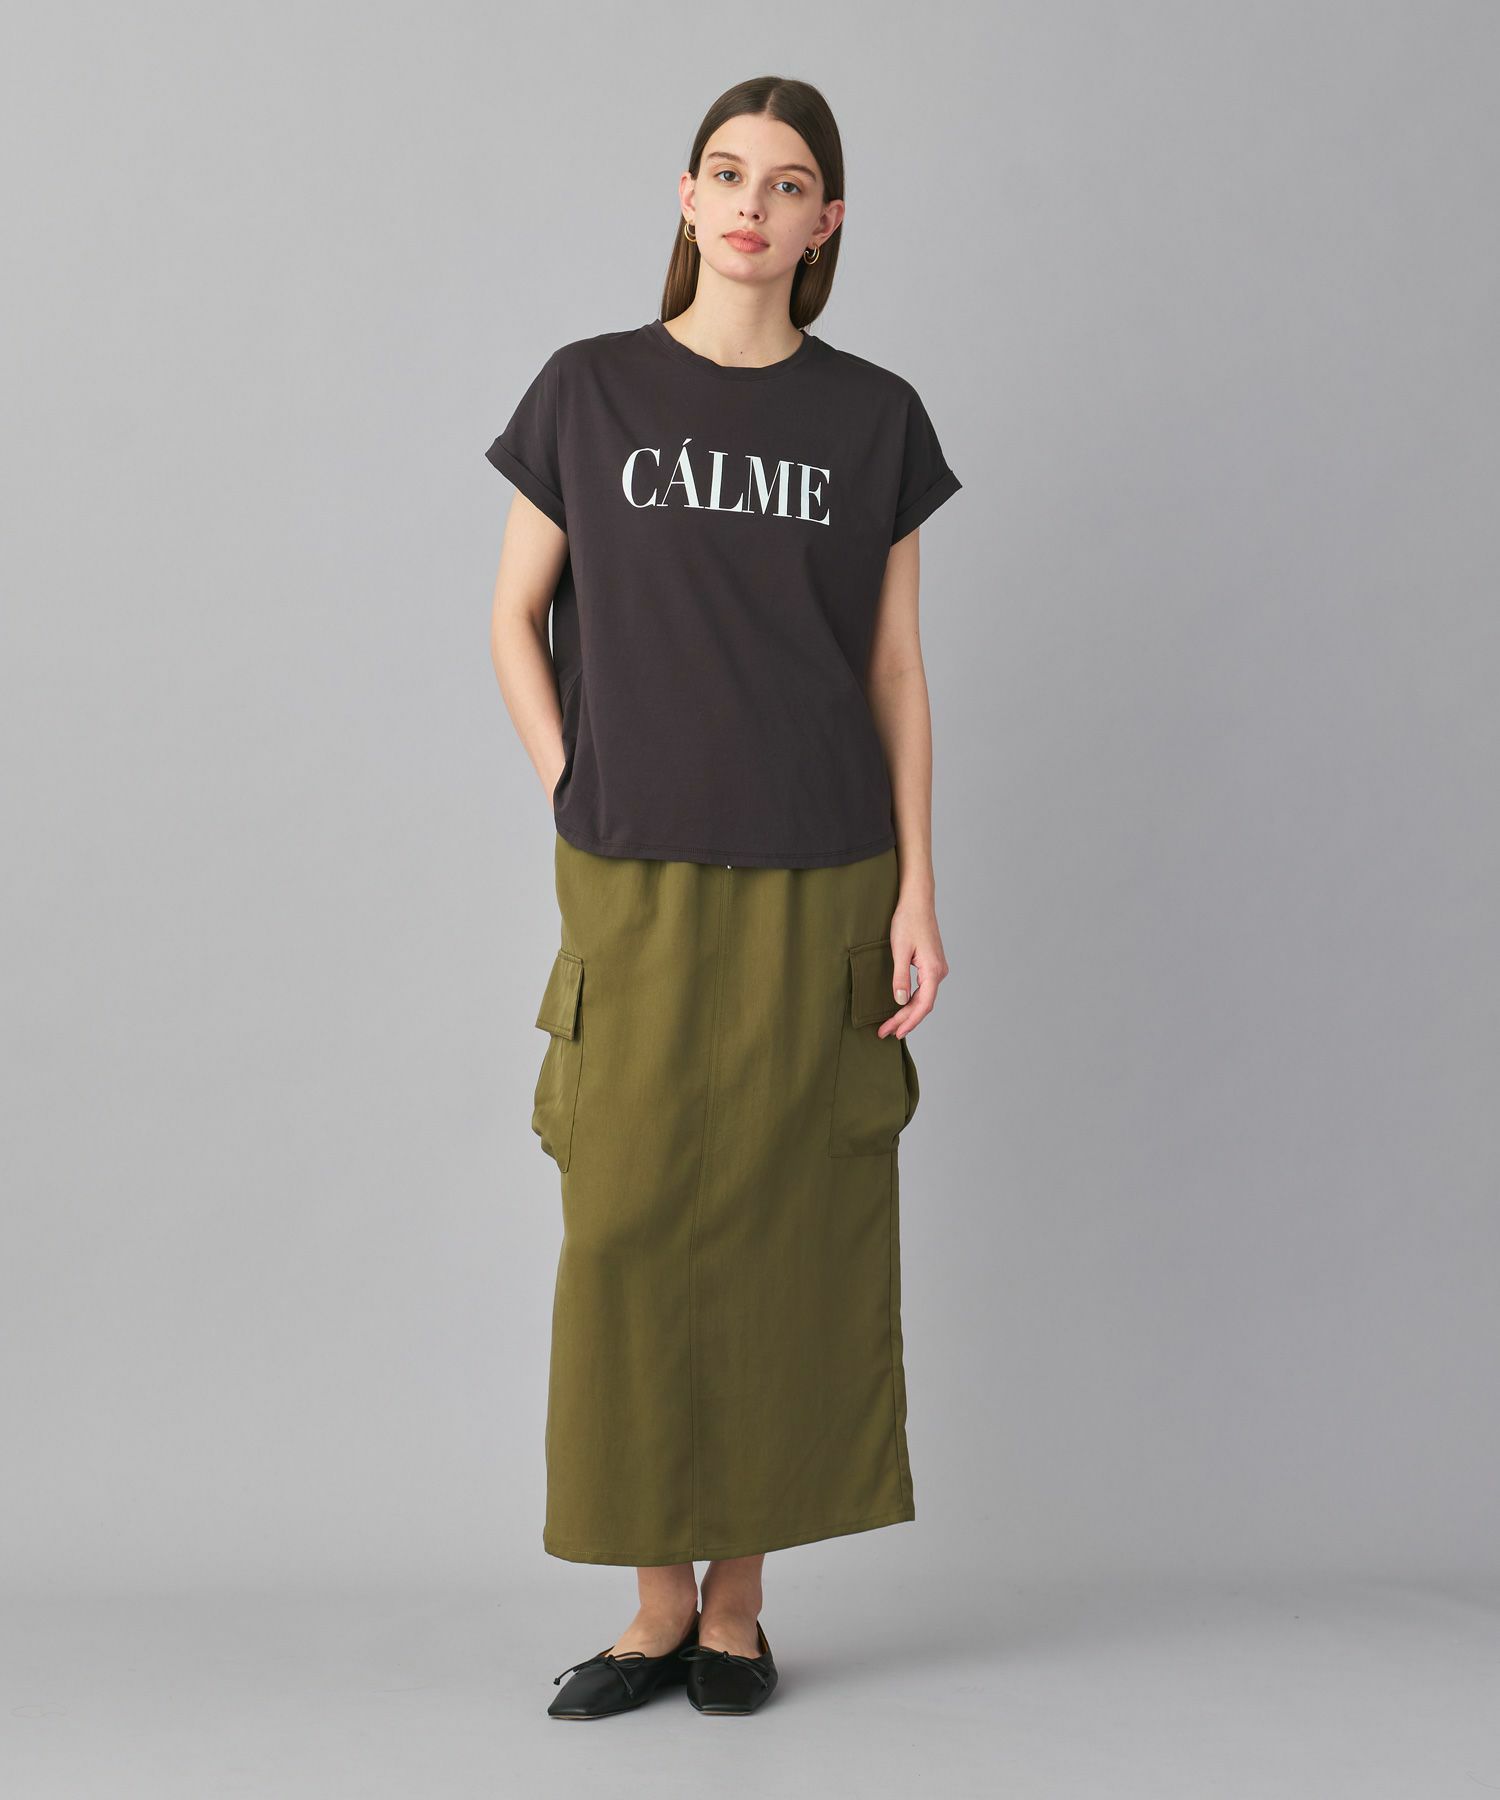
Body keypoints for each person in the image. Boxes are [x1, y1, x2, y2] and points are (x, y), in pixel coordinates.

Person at [484, 74, 961, 1719]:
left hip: (824, 872)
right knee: (622, 1222)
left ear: (828, 223)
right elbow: (513, 615)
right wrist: (571, 773)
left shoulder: (874, 419)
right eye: (728, 172)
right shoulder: (589, 390)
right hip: (631, 873)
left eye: (790, 182)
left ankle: (738, 1612)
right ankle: (649, 1608)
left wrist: (918, 886)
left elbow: (893, 667)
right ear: (688, 198)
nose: (754, 203)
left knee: (782, 1226)